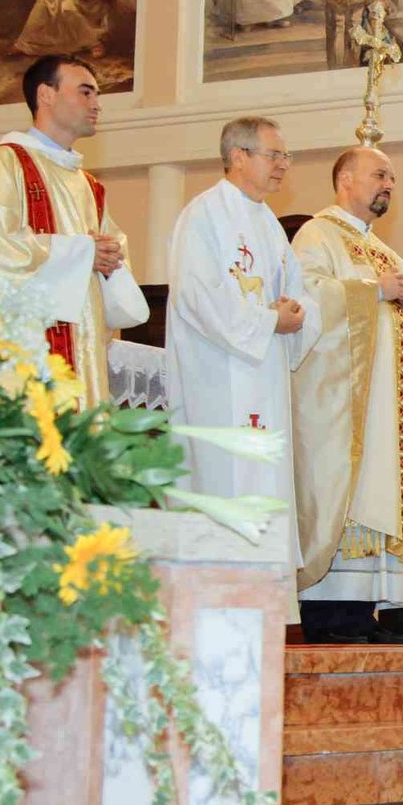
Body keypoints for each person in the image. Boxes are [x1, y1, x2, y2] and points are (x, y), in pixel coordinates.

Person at [162, 119, 318, 589]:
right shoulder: (203, 215)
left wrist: (297, 312)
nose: (283, 165)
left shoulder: (268, 223)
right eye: (275, 155)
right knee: (222, 482)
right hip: (219, 382)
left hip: (264, 379)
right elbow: (196, 296)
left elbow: (297, 291)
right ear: (238, 157)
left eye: (286, 156)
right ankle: (216, 597)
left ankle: (265, 601)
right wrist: (268, 321)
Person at [290, 148, 403, 643]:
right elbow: (307, 299)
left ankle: (361, 615)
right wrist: (374, 290)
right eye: (379, 175)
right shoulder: (317, 234)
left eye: (392, 177)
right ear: (346, 179)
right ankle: (331, 618)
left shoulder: (387, 253)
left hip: (386, 410)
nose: (389, 184)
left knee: (379, 498)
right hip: (346, 407)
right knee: (346, 497)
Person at [0, 54, 147, 402]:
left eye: (97, 95)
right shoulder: (5, 164)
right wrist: (83, 253)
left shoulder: (88, 185)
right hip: (28, 353)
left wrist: (110, 255)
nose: (96, 104)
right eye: (85, 92)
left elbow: (110, 252)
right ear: (46, 95)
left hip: (82, 348)